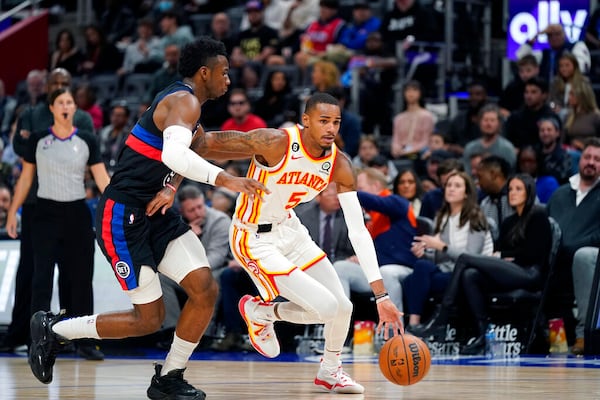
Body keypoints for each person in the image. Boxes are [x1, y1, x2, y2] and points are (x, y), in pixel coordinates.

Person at [24, 38, 266, 400]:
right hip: (122, 215)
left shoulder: (187, 105)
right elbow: (177, 153)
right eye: (225, 72)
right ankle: (56, 329)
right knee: (149, 319)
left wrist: (173, 187)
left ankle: (170, 376)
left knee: (204, 287)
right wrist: (227, 179)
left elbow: (198, 148)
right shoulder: (182, 101)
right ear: (204, 72)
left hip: (155, 210)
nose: (229, 79)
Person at [186, 93, 404, 394]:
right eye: (323, 121)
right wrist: (179, 131)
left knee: (343, 306)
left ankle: (329, 371)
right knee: (326, 307)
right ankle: (260, 313)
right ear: (306, 120)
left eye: (336, 122)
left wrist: (382, 296)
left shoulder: (339, 164)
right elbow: (209, 144)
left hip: (291, 230)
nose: (331, 128)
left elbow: (358, 231)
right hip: (252, 237)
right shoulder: (275, 142)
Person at [6, 87, 111, 362]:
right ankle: (37, 341)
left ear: (75, 108)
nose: (65, 106)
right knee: (41, 280)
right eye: (60, 102)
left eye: (69, 102)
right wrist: (11, 212)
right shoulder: (39, 139)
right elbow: (26, 179)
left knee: (80, 279)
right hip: (45, 214)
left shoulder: (87, 139)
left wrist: (118, 207)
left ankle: (84, 341)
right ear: (51, 108)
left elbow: (102, 179)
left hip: (77, 214)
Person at [420, 173, 552, 355]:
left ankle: (443, 317)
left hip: (529, 273)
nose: (512, 193)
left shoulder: (538, 216)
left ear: (529, 192)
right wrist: (502, 257)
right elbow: (498, 252)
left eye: (518, 189)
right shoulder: (508, 222)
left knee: (465, 258)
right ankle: (482, 333)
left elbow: (533, 255)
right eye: (511, 189)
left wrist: (504, 256)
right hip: (510, 271)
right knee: (470, 274)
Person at [404, 172, 493, 333]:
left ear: (466, 193)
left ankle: (415, 325)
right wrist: (424, 252)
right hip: (448, 270)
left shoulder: (476, 218)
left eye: (457, 186)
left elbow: (471, 256)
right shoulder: (442, 217)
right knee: (419, 268)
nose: (451, 189)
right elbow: (440, 258)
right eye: (449, 185)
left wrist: (441, 246)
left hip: (470, 274)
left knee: (413, 281)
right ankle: (415, 324)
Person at [333, 167, 417, 316]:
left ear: (376, 186)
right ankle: (341, 325)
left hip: (402, 268)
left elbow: (397, 255)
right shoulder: (370, 217)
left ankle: (395, 334)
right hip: (378, 271)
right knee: (340, 268)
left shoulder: (398, 202)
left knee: (387, 272)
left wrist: (346, 191)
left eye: (360, 188)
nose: (357, 192)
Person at [546, 138, 600, 352]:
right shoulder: (560, 193)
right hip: (560, 257)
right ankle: (551, 337)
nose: (591, 162)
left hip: (592, 255)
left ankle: (584, 335)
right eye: (587, 157)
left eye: (597, 159)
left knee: (582, 256)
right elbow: (547, 226)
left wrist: (574, 245)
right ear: (580, 159)